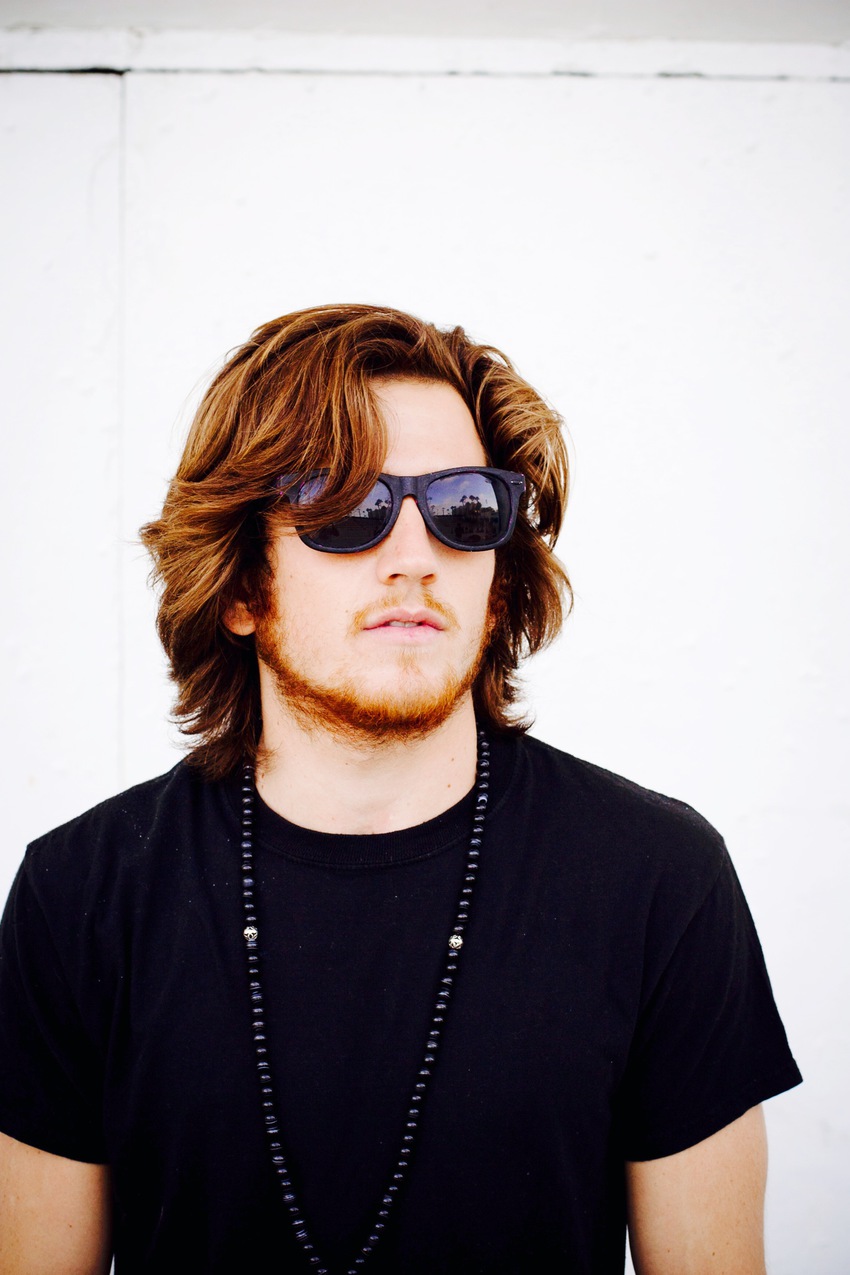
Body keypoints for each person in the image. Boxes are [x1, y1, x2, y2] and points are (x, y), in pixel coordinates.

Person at [0, 303, 801, 1274]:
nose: (416, 556)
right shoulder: (80, 897)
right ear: (241, 586)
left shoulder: (657, 881)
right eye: (345, 508)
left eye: (464, 508)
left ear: (497, 579)